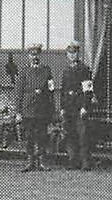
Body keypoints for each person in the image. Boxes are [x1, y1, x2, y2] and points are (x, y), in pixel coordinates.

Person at [13, 43, 56, 172]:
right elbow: (18, 92)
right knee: (29, 136)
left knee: (42, 135)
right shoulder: (24, 71)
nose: (34, 56)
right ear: (28, 56)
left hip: (42, 109)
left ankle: (41, 161)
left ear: (40, 55)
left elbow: (51, 91)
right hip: (28, 109)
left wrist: (51, 109)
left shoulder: (46, 70)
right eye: (32, 54)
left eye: (36, 54)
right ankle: (30, 161)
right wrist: (18, 111)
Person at [58, 40, 97, 170]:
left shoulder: (84, 69)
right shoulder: (66, 70)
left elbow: (88, 90)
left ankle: (86, 162)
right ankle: (73, 161)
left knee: (83, 135)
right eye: (70, 53)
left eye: (74, 53)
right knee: (70, 134)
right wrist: (62, 107)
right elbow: (63, 91)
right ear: (67, 55)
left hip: (79, 106)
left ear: (78, 54)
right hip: (69, 106)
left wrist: (85, 106)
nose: (72, 55)